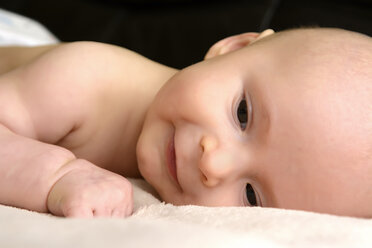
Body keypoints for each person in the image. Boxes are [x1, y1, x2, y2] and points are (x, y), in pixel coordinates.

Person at [0, 27, 370, 218]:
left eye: (252, 197)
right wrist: (57, 177)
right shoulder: (81, 80)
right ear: (235, 48)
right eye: (242, 115)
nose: (215, 164)